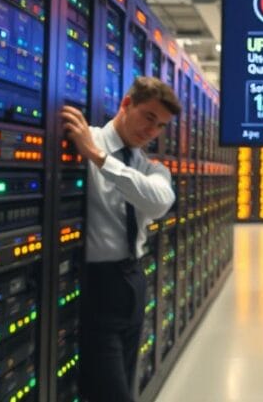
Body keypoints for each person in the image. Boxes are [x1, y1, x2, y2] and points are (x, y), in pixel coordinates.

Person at [60, 76, 182, 401]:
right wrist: (92, 150)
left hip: (132, 281)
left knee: (124, 382)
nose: (152, 131)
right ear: (126, 104)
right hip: (98, 284)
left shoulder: (148, 167)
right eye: (148, 117)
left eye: (160, 126)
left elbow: (159, 203)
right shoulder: (89, 138)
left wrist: (99, 158)